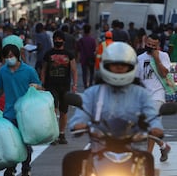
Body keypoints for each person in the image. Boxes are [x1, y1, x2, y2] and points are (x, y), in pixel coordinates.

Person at [65, 42, 165, 176]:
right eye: (114, 64)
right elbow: (80, 114)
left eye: (123, 65)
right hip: (99, 148)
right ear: (106, 65)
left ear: (131, 67)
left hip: (130, 148)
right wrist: (79, 124)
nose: (119, 68)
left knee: (148, 159)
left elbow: (152, 115)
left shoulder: (141, 93)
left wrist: (155, 127)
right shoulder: (93, 93)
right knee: (71, 160)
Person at [0, 44, 42, 176]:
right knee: (10, 142)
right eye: (6, 57)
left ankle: (26, 168)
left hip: (26, 113)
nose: (9, 59)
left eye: (11, 56)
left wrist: (36, 86)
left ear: (17, 56)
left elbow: (40, 87)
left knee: (25, 141)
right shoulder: (3, 71)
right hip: (9, 112)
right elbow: (0, 89)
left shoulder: (28, 70)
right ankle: (11, 168)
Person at [136, 34, 171, 161]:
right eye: (148, 44)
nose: (150, 47)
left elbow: (164, 73)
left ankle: (148, 156)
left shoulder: (163, 56)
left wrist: (157, 59)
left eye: (153, 45)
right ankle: (163, 146)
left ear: (158, 46)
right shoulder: (140, 58)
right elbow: (137, 79)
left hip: (158, 96)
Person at [41, 30, 78, 145]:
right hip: (51, 85)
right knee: (53, 110)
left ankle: (62, 133)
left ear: (63, 41)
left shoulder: (69, 54)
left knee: (64, 111)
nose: (57, 41)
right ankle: (54, 134)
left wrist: (75, 84)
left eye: (59, 39)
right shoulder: (48, 54)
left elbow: (74, 70)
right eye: (56, 39)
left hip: (65, 86)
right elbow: (44, 69)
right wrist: (42, 84)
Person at [76, 24, 97, 88]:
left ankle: (85, 84)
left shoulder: (81, 40)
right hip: (91, 57)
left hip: (84, 58)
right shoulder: (93, 40)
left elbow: (78, 50)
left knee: (84, 72)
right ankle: (90, 84)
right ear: (90, 31)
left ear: (83, 31)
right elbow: (94, 49)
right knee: (91, 72)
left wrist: (78, 58)